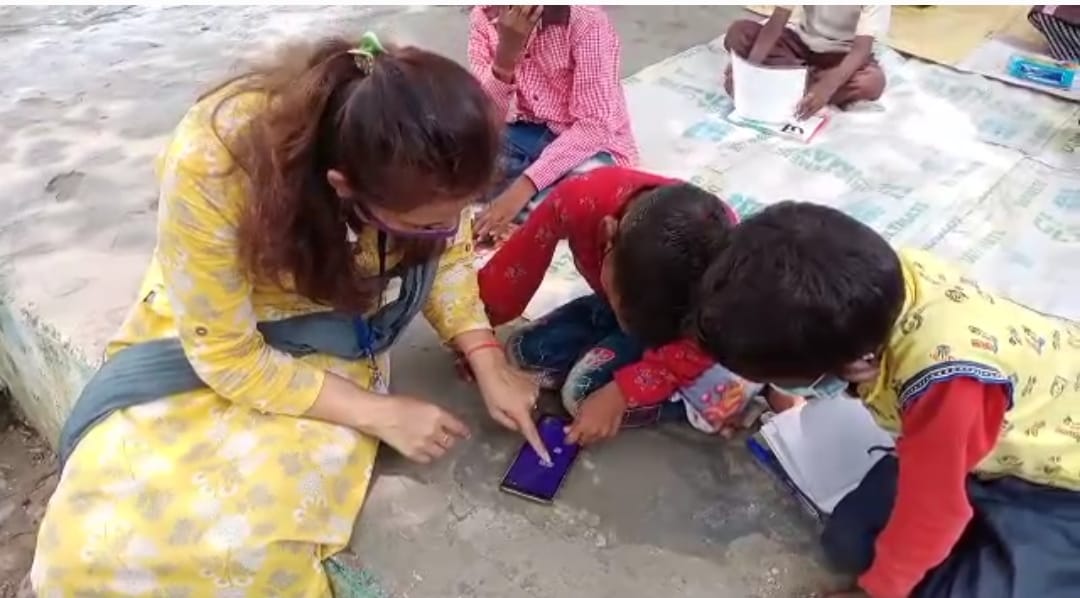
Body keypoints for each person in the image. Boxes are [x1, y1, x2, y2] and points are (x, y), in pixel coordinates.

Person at [32, 34, 547, 596]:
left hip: (335, 330)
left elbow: (446, 252)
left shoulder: (424, 129)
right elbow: (226, 353)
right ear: (342, 188)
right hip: (224, 332)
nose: (448, 234)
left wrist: (486, 356)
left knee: (256, 551)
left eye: (456, 216)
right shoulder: (216, 163)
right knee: (85, 553)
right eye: (422, 224)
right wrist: (377, 413)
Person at [691, 201, 1080, 598]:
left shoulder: (945, 385)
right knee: (848, 542)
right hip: (977, 445)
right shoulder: (869, 286)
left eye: (780, 380)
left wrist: (875, 594)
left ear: (842, 362)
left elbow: (933, 512)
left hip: (1060, 481)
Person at [479, 166, 797, 444]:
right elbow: (518, 265)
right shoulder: (580, 198)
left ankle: (739, 387)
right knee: (521, 353)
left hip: (686, 338)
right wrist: (479, 337)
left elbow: (705, 337)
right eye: (625, 306)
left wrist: (621, 392)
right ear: (608, 236)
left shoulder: (722, 256)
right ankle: (615, 333)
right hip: (627, 310)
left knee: (580, 397)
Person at [467, 5, 638, 240]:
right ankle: (524, 210)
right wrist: (505, 57)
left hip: (588, 146)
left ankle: (526, 212)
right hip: (522, 133)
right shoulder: (484, 17)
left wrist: (522, 189)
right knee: (457, 160)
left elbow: (594, 126)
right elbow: (487, 116)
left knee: (594, 189)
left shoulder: (586, 20)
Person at [724, 6, 890, 119]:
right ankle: (797, 86)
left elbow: (860, 50)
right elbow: (776, 23)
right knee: (739, 33)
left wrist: (825, 88)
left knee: (870, 81)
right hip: (801, 46)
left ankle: (785, 84)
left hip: (841, 58)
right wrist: (748, 72)